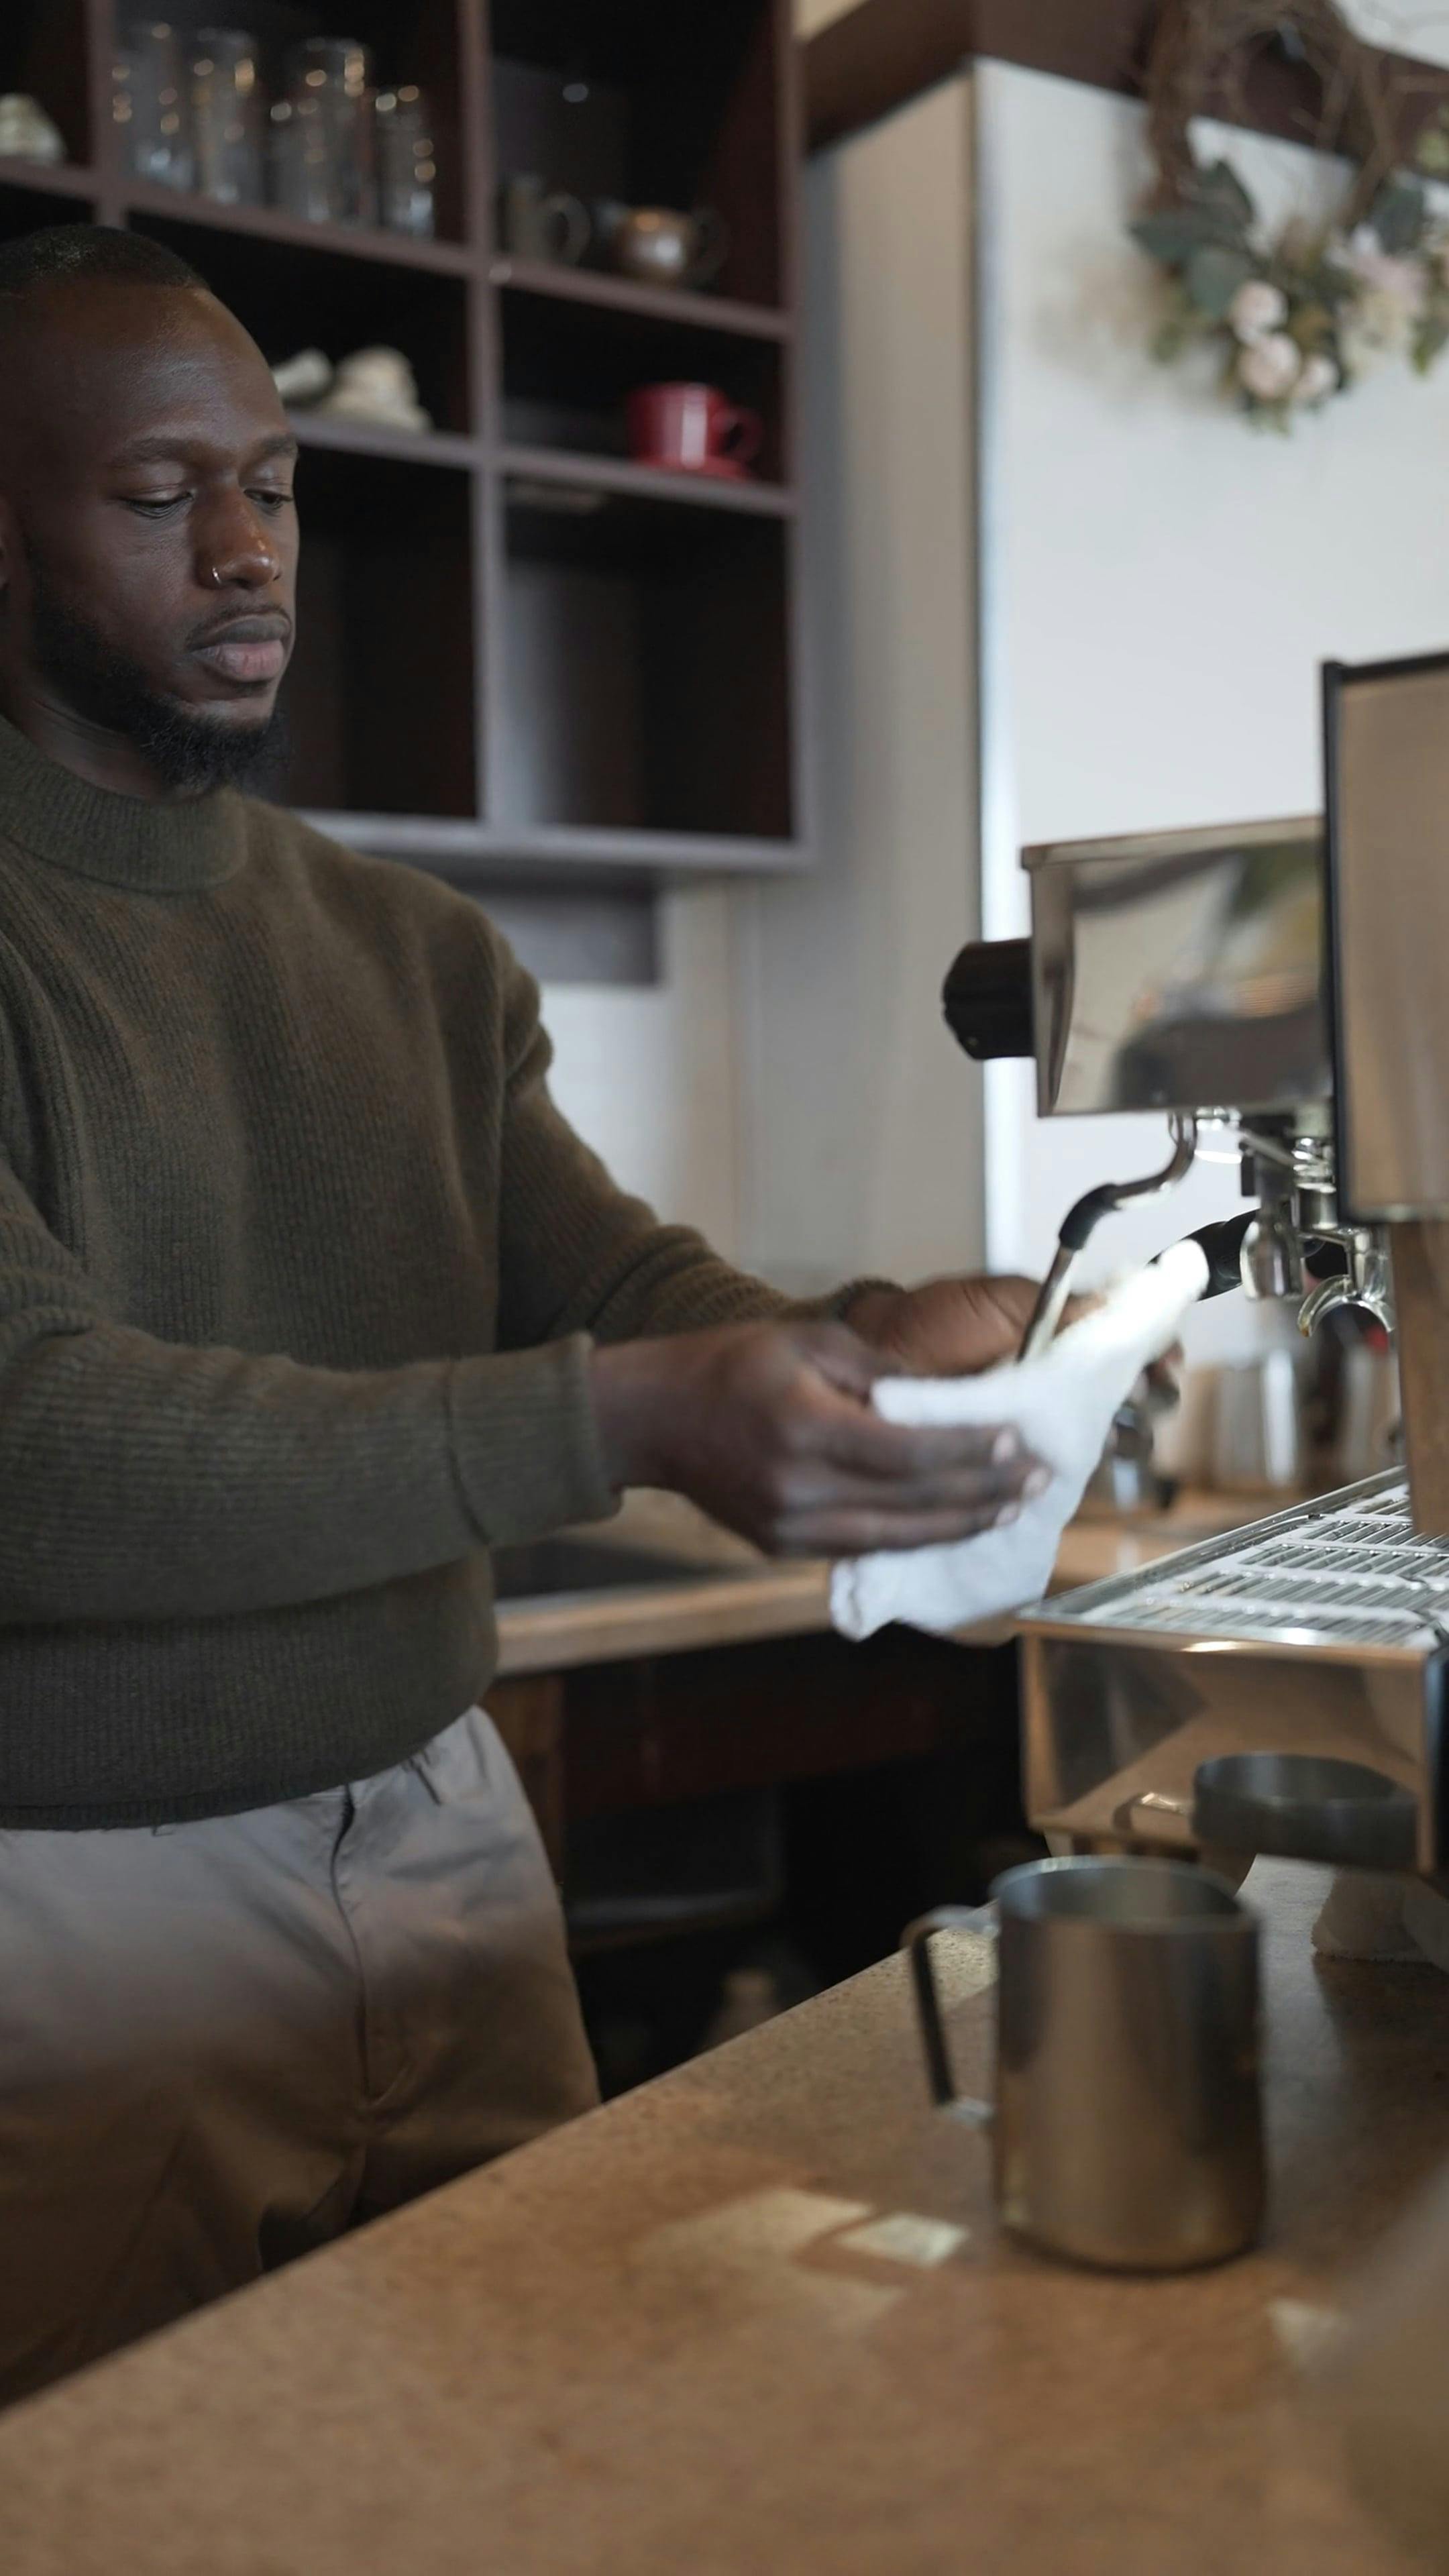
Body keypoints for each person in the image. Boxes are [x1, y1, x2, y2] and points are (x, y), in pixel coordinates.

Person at [0, 225, 1046, 2404]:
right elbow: (43, 1449)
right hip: (80, 1919)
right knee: (142, 2509)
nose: (242, 550)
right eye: (153, 494)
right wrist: (641, 1418)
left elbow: (606, 1282)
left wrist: (842, 1344)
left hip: (458, 1845)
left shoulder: (407, 946)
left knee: (527, 2446)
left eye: (272, 485)